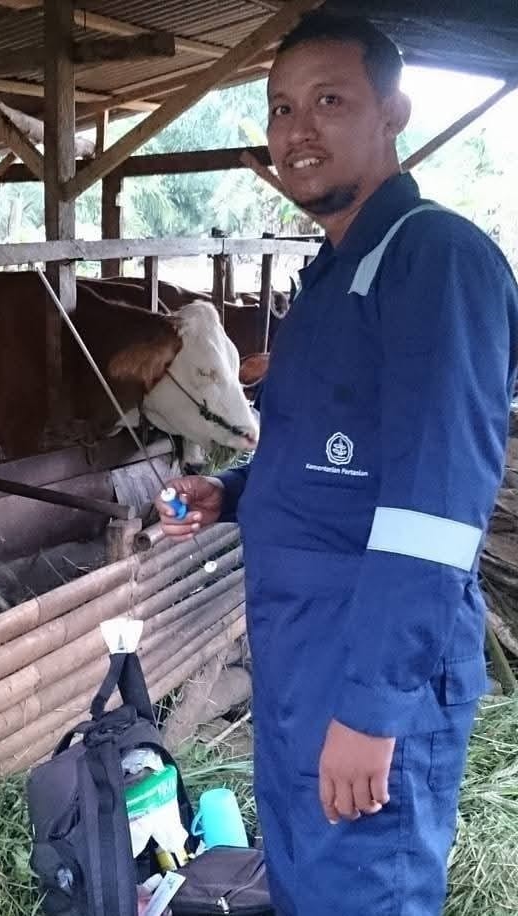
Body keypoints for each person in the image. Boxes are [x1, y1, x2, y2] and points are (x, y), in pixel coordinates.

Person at [156, 11, 518, 916]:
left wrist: (373, 707)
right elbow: (330, 460)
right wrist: (231, 493)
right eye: (282, 108)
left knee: (365, 890)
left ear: (392, 114)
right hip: (300, 654)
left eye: (330, 100)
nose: (297, 130)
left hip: (368, 657)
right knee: (310, 885)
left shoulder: (435, 262)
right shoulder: (330, 275)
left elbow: (435, 510)